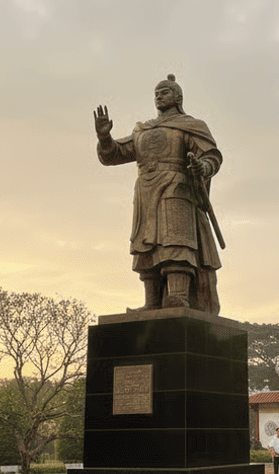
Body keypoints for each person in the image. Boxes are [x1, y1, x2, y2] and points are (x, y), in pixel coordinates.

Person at [94, 75, 222, 314]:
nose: (159, 96)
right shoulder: (144, 129)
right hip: (146, 191)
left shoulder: (191, 125)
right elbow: (115, 154)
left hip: (176, 187)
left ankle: (179, 296)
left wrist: (203, 167)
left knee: (176, 241)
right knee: (146, 245)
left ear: (178, 97)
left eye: (164, 92)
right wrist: (104, 137)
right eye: (156, 93)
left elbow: (211, 156)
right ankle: (151, 301)